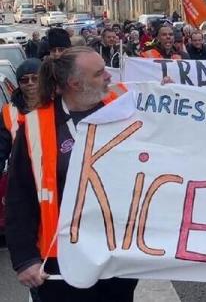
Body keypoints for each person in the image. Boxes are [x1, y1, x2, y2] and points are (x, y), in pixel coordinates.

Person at [5, 47, 137, 301]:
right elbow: (19, 198)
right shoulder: (36, 126)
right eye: (99, 73)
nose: (109, 76)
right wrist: (24, 259)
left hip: (118, 252)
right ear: (75, 83)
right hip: (61, 260)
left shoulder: (122, 105)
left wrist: (169, 93)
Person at [0, 59, 41, 172]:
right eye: (24, 80)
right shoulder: (8, 112)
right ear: (19, 83)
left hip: (57, 178)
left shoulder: (58, 106)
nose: (30, 82)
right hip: (22, 178)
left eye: (35, 78)